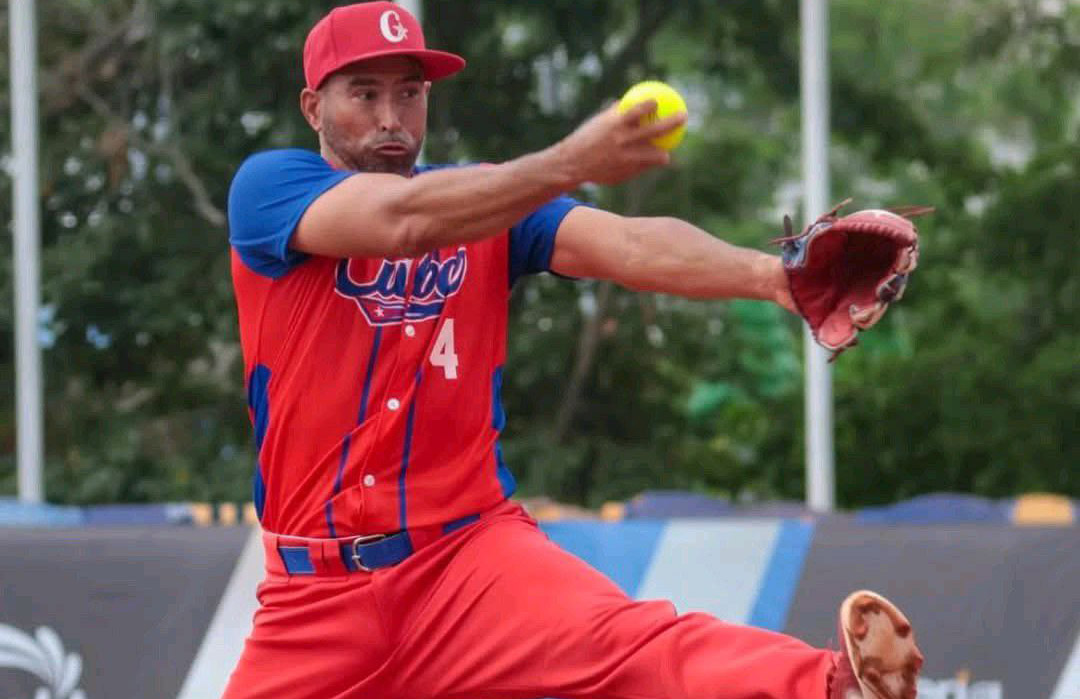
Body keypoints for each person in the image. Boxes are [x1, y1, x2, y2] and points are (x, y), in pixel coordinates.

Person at [223, 3, 923, 698]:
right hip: (314, 599)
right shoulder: (269, 190)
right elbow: (400, 222)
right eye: (364, 94)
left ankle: (833, 688)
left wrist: (771, 277)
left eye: (409, 93)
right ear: (313, 108)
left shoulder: (486, 203)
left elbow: (626, 243)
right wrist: (568, 162)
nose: (390, 117)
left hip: (467, 563)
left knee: (638, 646)